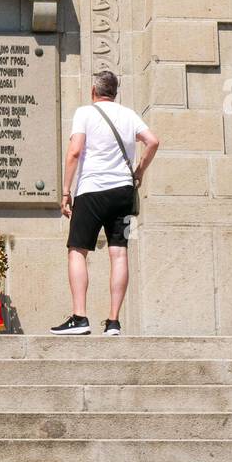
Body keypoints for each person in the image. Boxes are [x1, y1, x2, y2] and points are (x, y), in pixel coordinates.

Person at [51, 71, 159, 335]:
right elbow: (153, 141)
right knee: (119, 252)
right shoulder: (129, 115)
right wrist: (139, 172)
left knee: (77, 250)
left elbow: (75, 151)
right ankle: (113, 322)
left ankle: (80, 317)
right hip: (123, 192)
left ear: (93, 91)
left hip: (92, 191)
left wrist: (65, 192)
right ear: (115, 92)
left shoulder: (85, 113)